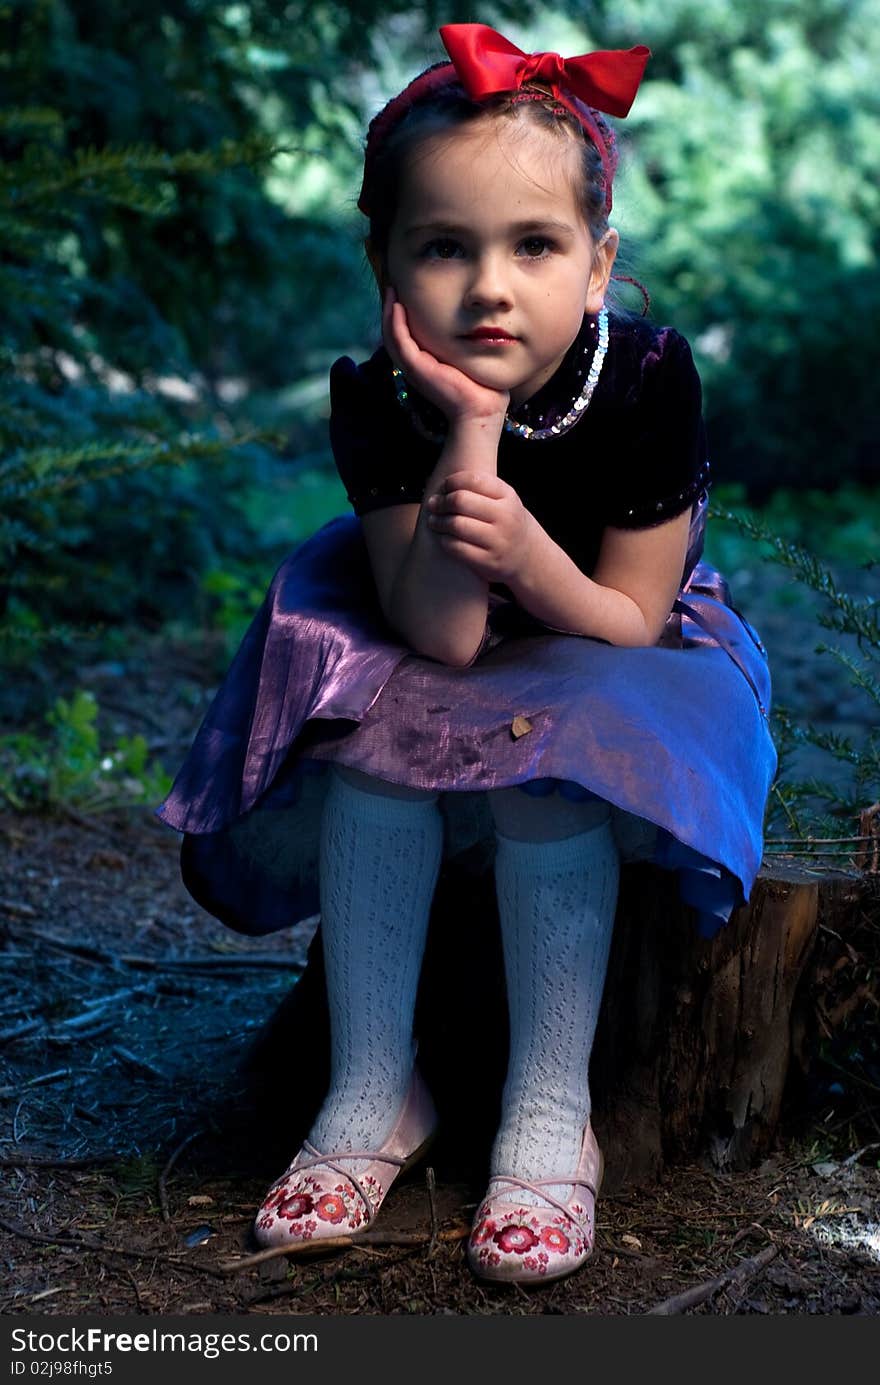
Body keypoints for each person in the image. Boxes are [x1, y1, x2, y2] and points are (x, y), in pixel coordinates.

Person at [158, 23, 776, 1286]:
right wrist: (474, 433)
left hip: (613, 640)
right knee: (378, 765)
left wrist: (533, 561)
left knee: (548, 769)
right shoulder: (378, 394)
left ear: (597, 267)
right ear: (383, 261)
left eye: (533, 245)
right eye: (443, 247)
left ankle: (550, 1115)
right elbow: (434, 632)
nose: (489, 286)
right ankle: (371, 1090)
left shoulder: (649, 379)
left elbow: (629, 617)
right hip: (429, 624)